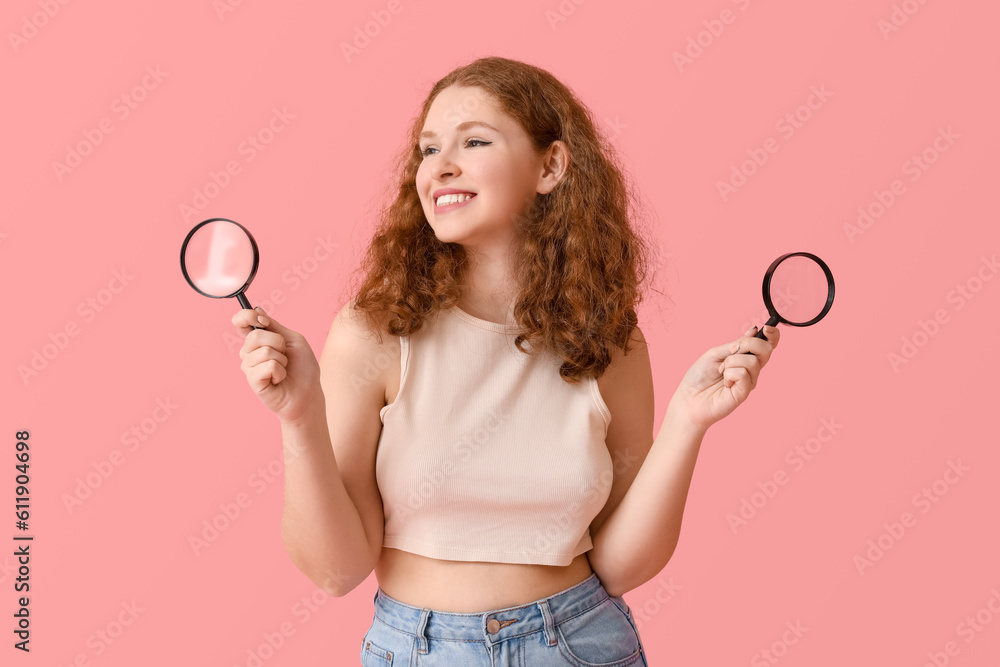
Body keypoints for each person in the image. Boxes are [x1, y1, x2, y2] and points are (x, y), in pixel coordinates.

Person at [231, 56, 779, 666]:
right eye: (428, 148)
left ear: (550, 166)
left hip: (579, 641)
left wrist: (687, 421)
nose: (440, 166)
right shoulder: (375, 333)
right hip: (418, 649)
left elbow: (622, 567)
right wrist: (299, 418)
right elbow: (336, 572)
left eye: (474, 141)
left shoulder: (609, 341)